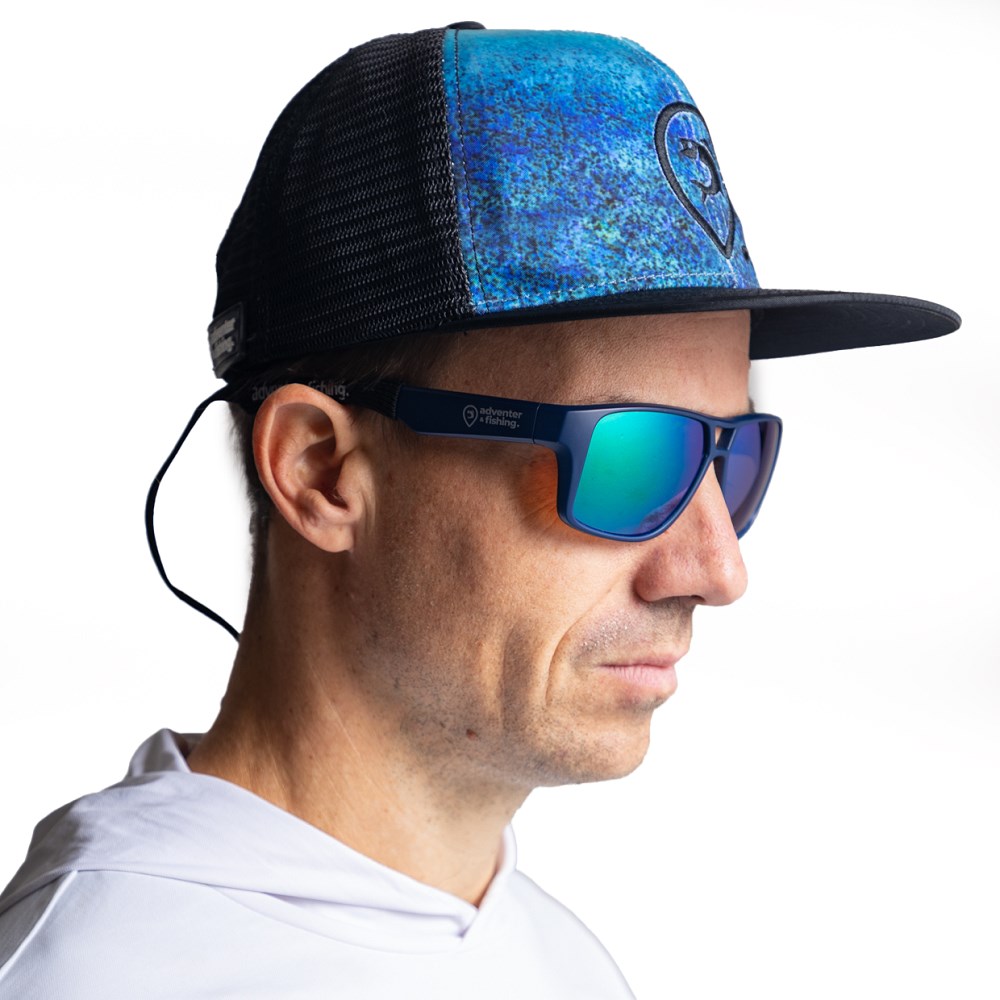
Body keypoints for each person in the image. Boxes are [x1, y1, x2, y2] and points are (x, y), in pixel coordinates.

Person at [0, 23, 958, 999]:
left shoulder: (564, 964)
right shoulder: (91, 974)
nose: (717, 570)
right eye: (632, 458)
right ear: (321, 470)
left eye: (730, 455)